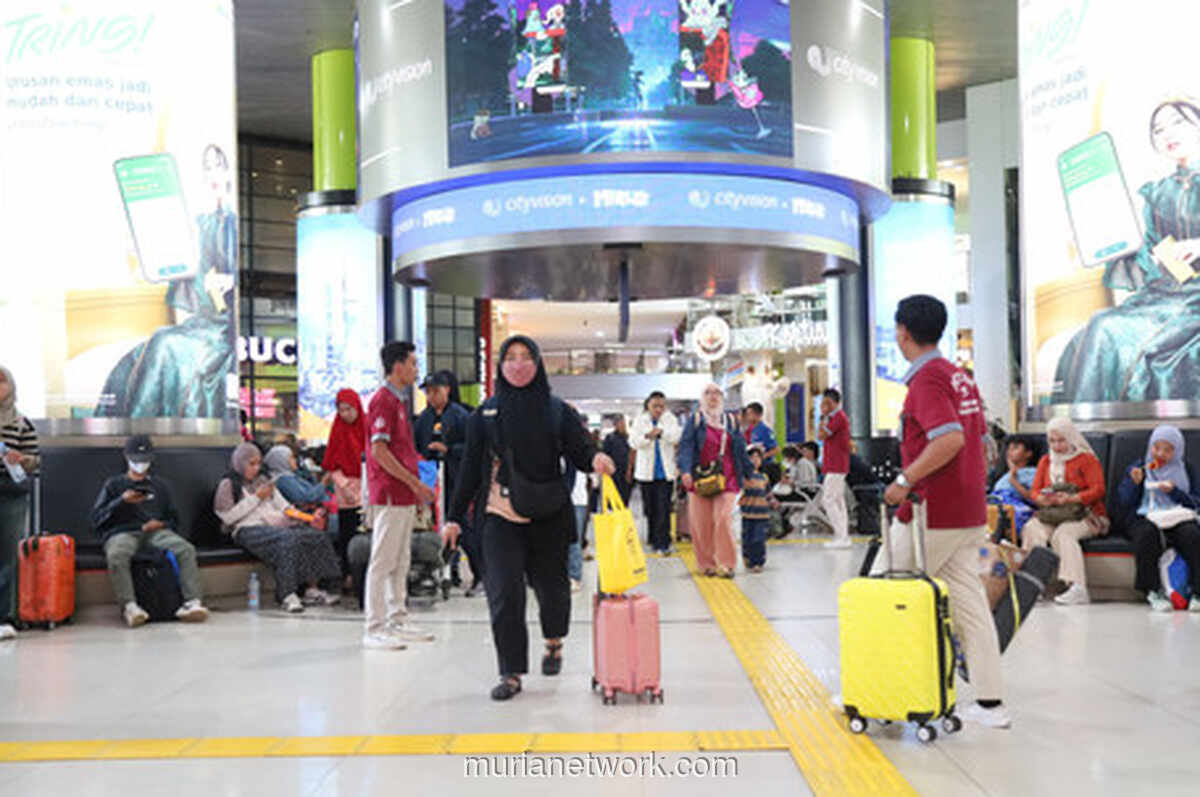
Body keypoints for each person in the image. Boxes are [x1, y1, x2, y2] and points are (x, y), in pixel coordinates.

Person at [443, 336, 614, 701]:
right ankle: (511, 673)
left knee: (553, 591)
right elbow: (470, 469)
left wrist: (596, 459)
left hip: (547, 513)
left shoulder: (557, 411)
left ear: (537, 364)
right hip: (499, 514)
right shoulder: (485, 414)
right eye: (510, 357)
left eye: (525, 357)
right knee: (505, 592)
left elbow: (580, 450)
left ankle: (553, 641)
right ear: (500, 365)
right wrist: (454, 516)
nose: (518, 364)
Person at [881, 294, 1008, 729]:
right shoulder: (959, 377)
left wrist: (905, 480)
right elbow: (974, 441)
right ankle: (990, 704)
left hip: (932, 512)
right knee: (969, 603)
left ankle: (878, 691)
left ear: (903, 332)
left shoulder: (928, 381)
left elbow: (949, 438)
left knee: (885, 592)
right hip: (968, 509)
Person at [1054, 100, 1200, 403]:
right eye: (1158, 130)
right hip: (1165, 294)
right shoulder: (1157, 193)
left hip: (1193, 302)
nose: (1168, 134)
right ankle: (1085, 427)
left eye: (1178, 122)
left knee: (1106, 328)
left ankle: (1089, 427)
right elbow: (1147, 253)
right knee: (1086, 336)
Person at [361, 341, 437, 650]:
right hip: (390, 493)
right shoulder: (382, 401)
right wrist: (414, 483)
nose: (416, 370)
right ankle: (374, 627)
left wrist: (415, 486)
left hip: (404, 493)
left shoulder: (400, 402)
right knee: (383, 560)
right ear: (398, 366)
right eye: (413, 363)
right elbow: (379, 452)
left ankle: (397, 618)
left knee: (401, 560)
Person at [90, 436, 209, 626]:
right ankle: (129, 606)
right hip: (123, 532)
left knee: (185, 549)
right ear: (127, 458)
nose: (140, 465)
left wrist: (160, 524)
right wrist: (121, 501)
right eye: (136, 460)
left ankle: (192, 602)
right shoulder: (114, 485)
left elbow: (174, 519)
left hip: (156, 532)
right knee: (117, 554)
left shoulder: (160, 486)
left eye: (144, 460)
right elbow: (97, 519)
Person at [214, 442, 342, 613]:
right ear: (240, 463)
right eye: (251, 464)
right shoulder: (228, 484)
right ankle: (286, 594)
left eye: (258, 463)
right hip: (246, 529)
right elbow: (227, 517)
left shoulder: (264, 481)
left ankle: (312, 588)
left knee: (314, 535)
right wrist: (256, 498)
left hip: (273, 525)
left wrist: (309, 518)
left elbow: (284, 507)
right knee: (287, 539)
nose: (256, 468)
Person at [1020, 417, 1109, 606]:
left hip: (1085, 515)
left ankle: (1077, 587)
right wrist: (1042, 499)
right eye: (1052, 441)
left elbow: (1098, 490)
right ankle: (1034, 585)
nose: (1057, 446)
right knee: (1032, 529)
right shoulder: (1046, 461)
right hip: (1053, 514)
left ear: (1071, 438)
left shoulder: (1087, 460)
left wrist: (1071, 498)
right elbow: (1035, 491)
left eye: (1061, 440)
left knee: (1063, 534)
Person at [1114, 425, 1200, 612]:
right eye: (1156, 448)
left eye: (1167, 450)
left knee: (1192, 534)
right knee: (1146, 534)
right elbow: (1123, 501)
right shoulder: (1139, 468)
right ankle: (1152, 591)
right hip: (1144, 515)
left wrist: (1175, 492)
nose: (1160, 454)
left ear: (1177, 451)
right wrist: (1133, 484)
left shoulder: (1187, 470)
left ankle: (1197, 592)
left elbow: (1196, 502)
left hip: (1177, 515)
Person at [414, 370, 480, 594]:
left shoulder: (461, 416)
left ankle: (481, 574)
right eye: (428, 392)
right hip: (431, 481)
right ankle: (441, 573)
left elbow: (474, 448)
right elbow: (415, 444)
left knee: (462, 527)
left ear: (447, 390)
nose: (432, 396)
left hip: (457, 480)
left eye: (436, 391)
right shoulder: (424, 419)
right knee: (434, 526)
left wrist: (449, 450)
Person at [678, 382, 752, 578]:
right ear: (702, 398)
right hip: (700, 478)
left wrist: (749, 473)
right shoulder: (695, 420)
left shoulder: (731, 421)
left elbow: (740, 449)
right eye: (708, 393)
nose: (713, 397)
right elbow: (686, 447)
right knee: (701, 524)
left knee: (723, 519)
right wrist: (685, 471)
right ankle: (707, 564)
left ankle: (727, 564)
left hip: (727, 478)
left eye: (717, 393)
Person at [0, 366, 39, 641]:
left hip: (11, 494)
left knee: (7, 558)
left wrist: (22, 459)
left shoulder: (23, 423)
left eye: (2, 382)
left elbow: (35, 461)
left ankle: (4, 617)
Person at [631, 391, 682, 556]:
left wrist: (661, 433)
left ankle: (664, 543)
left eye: (661, 406)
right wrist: (648, 436)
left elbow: (676, 437)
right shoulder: (640, 420)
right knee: (650, 509)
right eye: (655, 406)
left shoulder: (670, 419)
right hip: (646, 474)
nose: (658, 409)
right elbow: (633, 442)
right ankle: (653, 538)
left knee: (664, 508)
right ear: (648, 406)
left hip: (665, 473)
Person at [322, 389, 366, 577]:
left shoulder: (367, 425)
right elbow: (332, 464)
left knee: (366, 533)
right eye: (341, 410)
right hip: (345, 489)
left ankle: (364, 575)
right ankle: (349, 575)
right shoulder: (338, 429)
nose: (345, 414)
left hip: (366, 487)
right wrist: (345, 487)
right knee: (348, 532)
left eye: (349, 409)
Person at [818, 388, 852, 549]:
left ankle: (841, 535)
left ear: (836, 403)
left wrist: (822, 417)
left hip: (836, 464)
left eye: (827, 403)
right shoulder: (836, 417)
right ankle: (842, 536)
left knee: (828, 500)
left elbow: (821, 435)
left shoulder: (838, 418)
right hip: (836, 464)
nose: (824, 406)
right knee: (838, 500)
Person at [989, 437, 1039, 538]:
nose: (1010, 451)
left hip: (1012, 503)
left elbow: (1034, 498)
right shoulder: (1002, 475)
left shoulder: (1032, 472)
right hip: (994, 501)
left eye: (1015, 448)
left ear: (1028, 453)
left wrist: (1014, 481)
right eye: (1008, 449)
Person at [740, 445, 772, 573]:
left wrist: (773, 502)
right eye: (751, 457)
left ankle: (758, 562)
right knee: (747, 538)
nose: (755, 460)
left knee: (759, 538)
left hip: (762, 514)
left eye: (758, 457)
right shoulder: (744, 476)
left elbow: (768, 493)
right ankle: (747, 557)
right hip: (747, 513)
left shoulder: (764, 477)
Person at [602, 415, 633, 504]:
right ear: (615, 425)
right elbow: (605, 454)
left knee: (625, 495)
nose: (623, 426)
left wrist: (630, 469)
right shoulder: (610, 438)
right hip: (614, 471)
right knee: (614, 495)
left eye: (624, 424)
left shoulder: (628, 438)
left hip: (626, 470)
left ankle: (624, 510)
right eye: (621, 423)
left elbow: (632, 453)